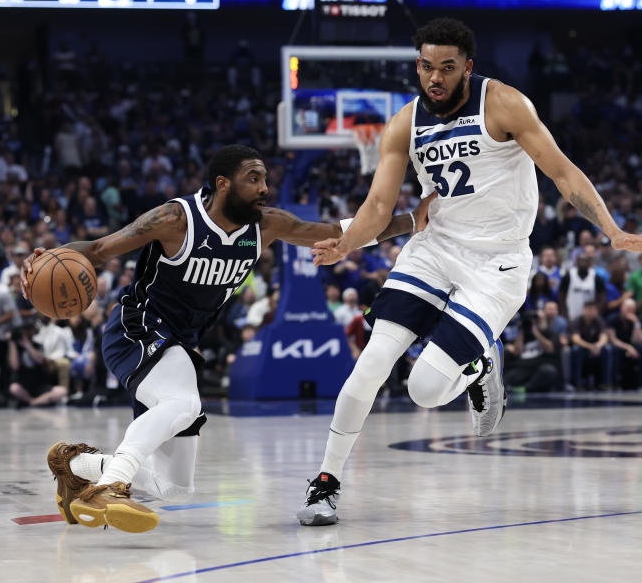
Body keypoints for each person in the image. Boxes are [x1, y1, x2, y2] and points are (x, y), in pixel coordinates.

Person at [298, 18, 642, 526]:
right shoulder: (404, 123)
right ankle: (326, 481)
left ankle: (478, 365)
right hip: (435, 247)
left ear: (467, 68)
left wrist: (613, 231)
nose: (435, 78)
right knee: (373, 359)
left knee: (424, 391)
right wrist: (346, 244)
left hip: (498, 262)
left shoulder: (505, 104)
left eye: (446, 68)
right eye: (426, 66)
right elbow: (379, 204)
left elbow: (562, 172)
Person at [22, 144, 429, 534]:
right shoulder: (175, 219)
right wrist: (44, 257)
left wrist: (411, 221)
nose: (264, 188)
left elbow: (341, 233)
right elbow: (96, 249)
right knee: (184, 403)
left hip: (179, 344)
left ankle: (75, 465)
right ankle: (110, 488)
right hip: (138, 327)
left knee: (173, 486)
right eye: (253, 179)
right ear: (222, 184)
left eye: (265, 178)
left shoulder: (266, 226)